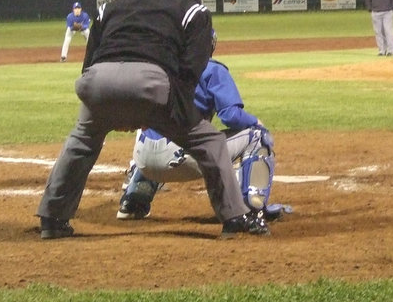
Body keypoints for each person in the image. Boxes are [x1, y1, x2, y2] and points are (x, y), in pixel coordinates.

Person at [36, 0, 269, 239]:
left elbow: (89, 62)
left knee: (81, 142)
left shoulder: (110, 6)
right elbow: (191, 68)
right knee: (209, 142)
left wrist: (109, 111)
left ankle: (52, 219)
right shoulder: (191, 9)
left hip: (97, 81)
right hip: (151, 83)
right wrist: (179, 116)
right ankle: (234, 218)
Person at [118, 29, 287, 222]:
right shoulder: (213, 69)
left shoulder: (159, 68)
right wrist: (255, 121)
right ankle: (252, 209)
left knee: (152, 121)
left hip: (143, 160)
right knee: (258, 136)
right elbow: (231, 116)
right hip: (181, 159)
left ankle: (133, 201)